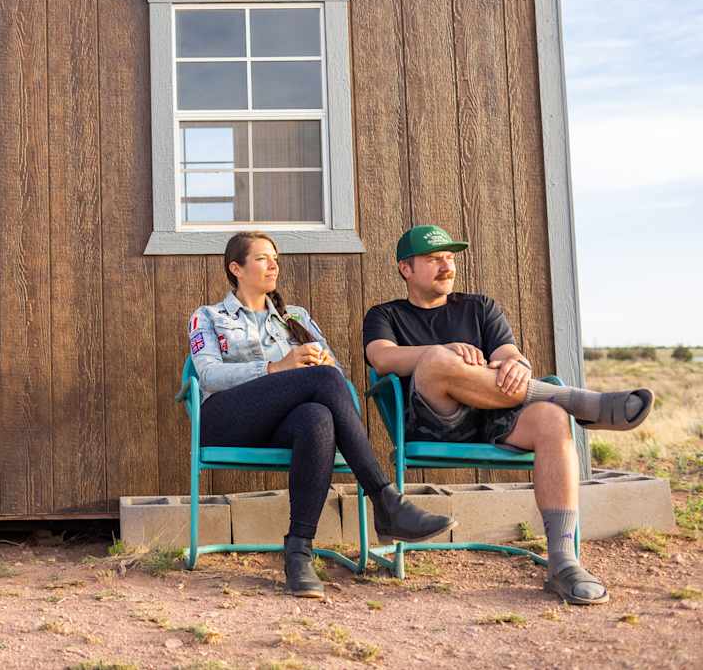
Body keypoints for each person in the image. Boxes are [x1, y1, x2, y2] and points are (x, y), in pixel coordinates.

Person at [363, 224, 654, 605]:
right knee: (435, 359)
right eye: (434, 259)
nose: (446, 266)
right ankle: (579, 401)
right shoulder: (386, 314)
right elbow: (382, 358)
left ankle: (564, 561)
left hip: (494, 418)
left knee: (551, 419)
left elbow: (506, 355)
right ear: (406, 268)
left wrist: (517, 363)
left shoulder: (480, 307)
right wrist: (445, 351)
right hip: (437, 422)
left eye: (450, 258)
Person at [190, 231, 455, 599]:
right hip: (227, 419)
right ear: (236, 268)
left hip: (282, 423)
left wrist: (321, 363)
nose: (273, 265)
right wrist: (275, 368)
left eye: (275, 258)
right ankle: (385, 500)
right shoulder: (208, 316)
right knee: (322, 382)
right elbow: (208, 375)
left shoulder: (294, 316)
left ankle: (299, 552)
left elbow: (333, 372)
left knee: (317, 416)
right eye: (263, 258)